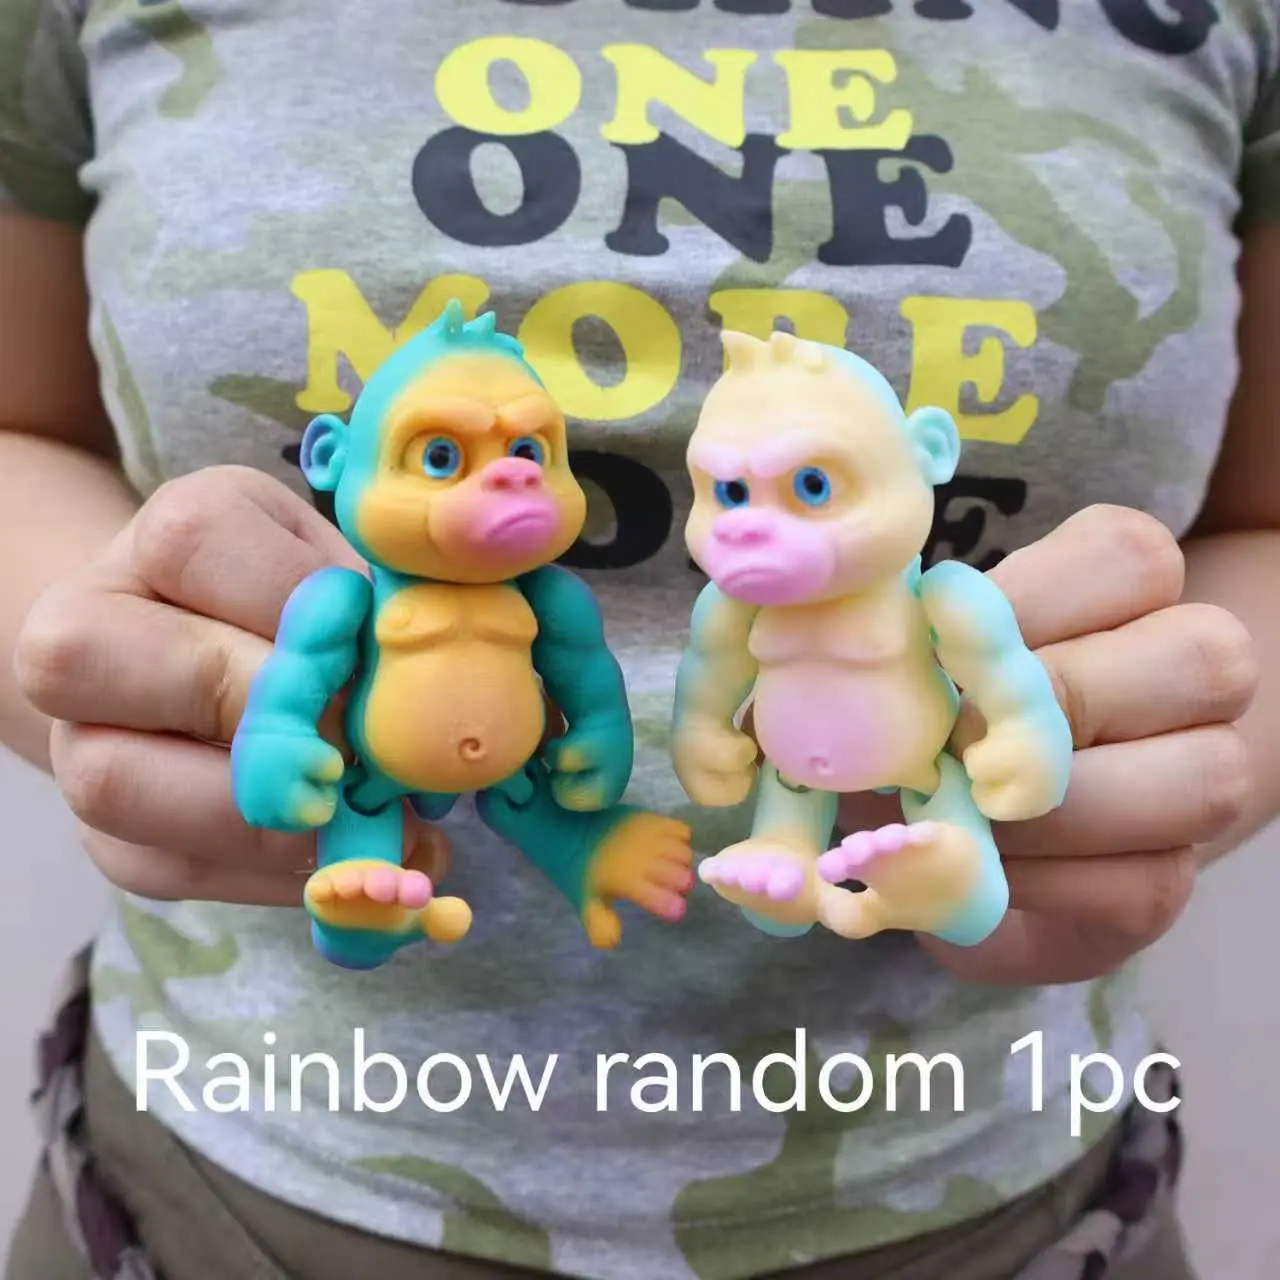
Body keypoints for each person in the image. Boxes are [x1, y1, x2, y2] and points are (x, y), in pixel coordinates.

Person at [1, 1, 1277, 1277]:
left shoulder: (925, 606)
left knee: (864, 799)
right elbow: (42, 446)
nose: (504, 480)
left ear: (923, 457)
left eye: (529, 453)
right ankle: (374, 893)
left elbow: (610, 694)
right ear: (337, 461)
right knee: (394, 823)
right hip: (224, 1162)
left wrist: (1078, 764)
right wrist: (196, 712)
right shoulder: (368, 608)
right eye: (442, 457)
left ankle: (902, 860)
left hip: (1007, 1176)